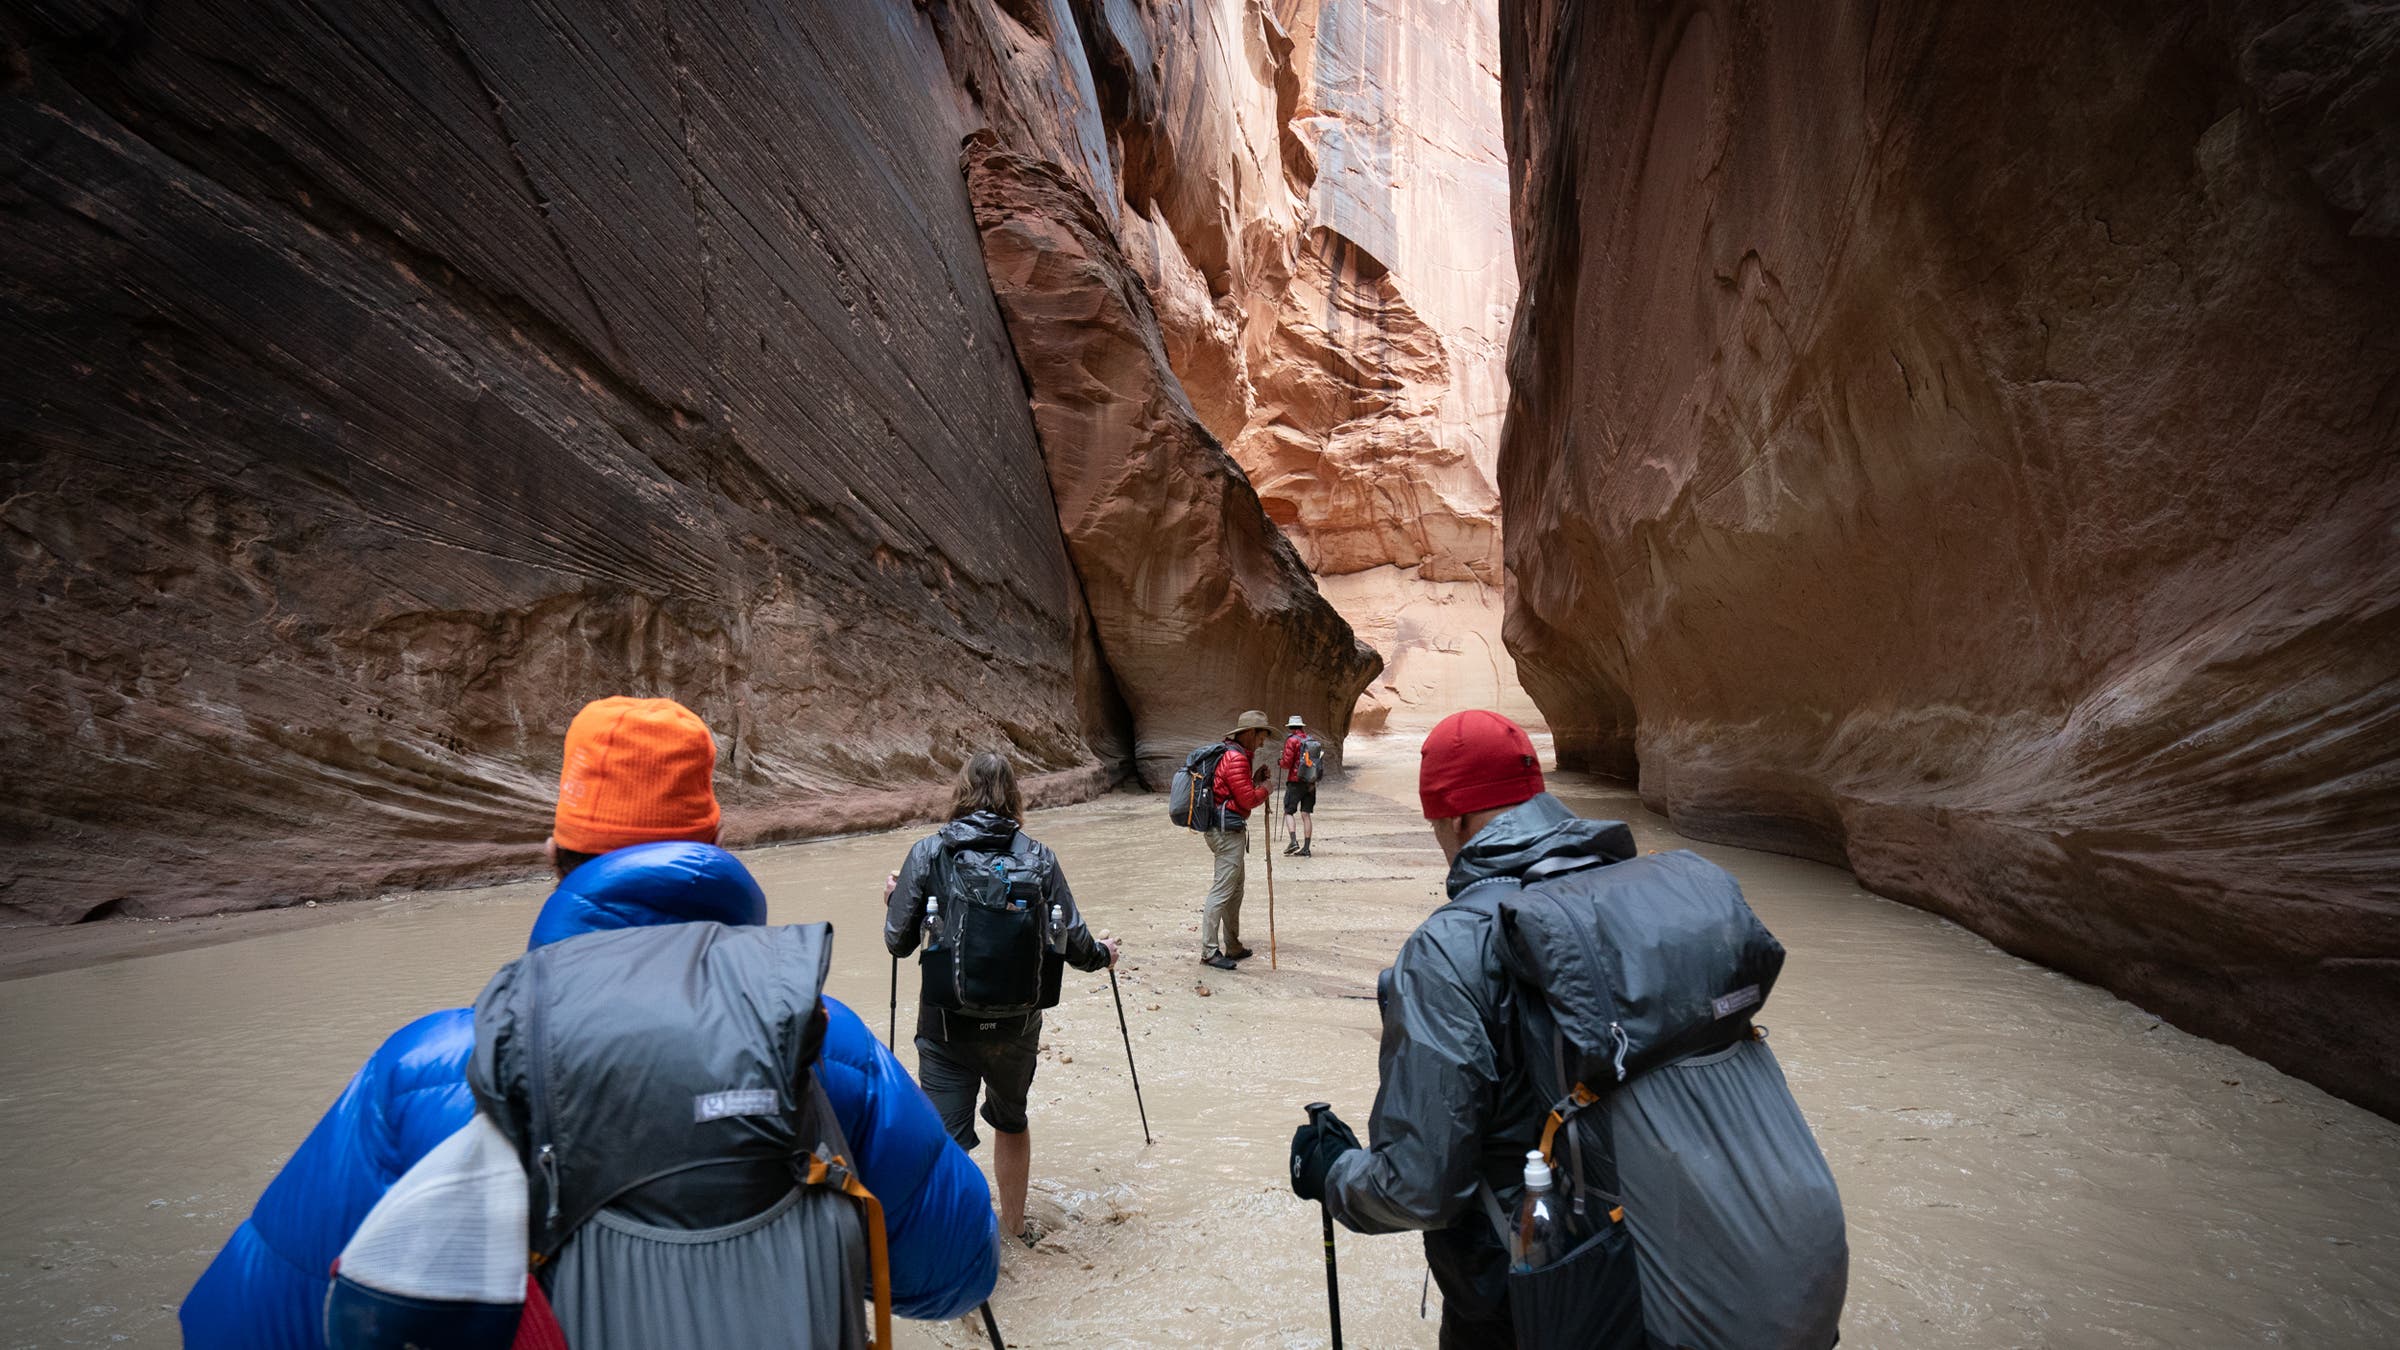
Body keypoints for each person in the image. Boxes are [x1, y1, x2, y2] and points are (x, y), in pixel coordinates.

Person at [183, 696, 998, 1349]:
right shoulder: (825, 1043)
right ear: (713, 845)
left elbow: (232, 1325)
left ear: (555, 856)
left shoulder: (432, 1070)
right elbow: (961, 1266)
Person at [1287, 710, 1847, 1348]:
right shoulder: (1641, 898)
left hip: (1536, 1297)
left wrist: (1334, 1172)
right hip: (1681, 1272)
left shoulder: (1449, 947)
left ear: (1456, 818)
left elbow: (1421, 1187)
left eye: (1437, 822)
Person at [883, 751, 1119, 1246]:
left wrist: (893, 898)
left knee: (946, 1139)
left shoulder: (930, 852)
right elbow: (1075, 943)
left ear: (960, 791)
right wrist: (1104, 955)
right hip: (1016, 1024)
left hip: (946, 1024)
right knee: (1011, 1119)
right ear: (1014, 793)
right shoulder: (1039, 857)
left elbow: (898, 942)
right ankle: (1013, 1229)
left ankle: (953, 1240)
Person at [1198, 709, 1273, 970]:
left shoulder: (1235, 756)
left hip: (1227, 830)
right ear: (1250, 733)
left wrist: (1254, 781)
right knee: (1222, 891)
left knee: (1235, 890)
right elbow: (1247, 800)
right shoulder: (1236, 759)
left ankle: (1233, 944)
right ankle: (1209, 951)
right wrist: (1264, 790)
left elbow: (1234, 792)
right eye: (1261, 736)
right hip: (1226, 833)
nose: (1263, 742)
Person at [1278, 713, 1324, 856]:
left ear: (1291, 727)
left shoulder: (1292, 741)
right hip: (1310, 781)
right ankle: (1306, 848)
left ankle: (1293, 841)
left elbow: (1286, 763)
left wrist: (1279, 762)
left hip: (1295, 781)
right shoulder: (1310, 740)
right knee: (1306, 814)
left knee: (1288, 811)